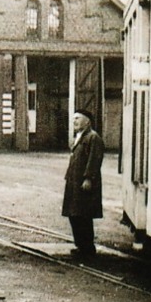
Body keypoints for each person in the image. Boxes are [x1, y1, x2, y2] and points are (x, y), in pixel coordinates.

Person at [62, 108, 104, 259]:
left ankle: (87, 248)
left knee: (83, 215)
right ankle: (80, 245)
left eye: (78, 118)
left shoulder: (93, 138)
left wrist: (88, 178)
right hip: (74, 183)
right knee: (74, 214)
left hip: (84, 184)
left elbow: (94, 159)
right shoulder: (79, 137)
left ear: (87, 121)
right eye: (73, 119)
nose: (74, 121)